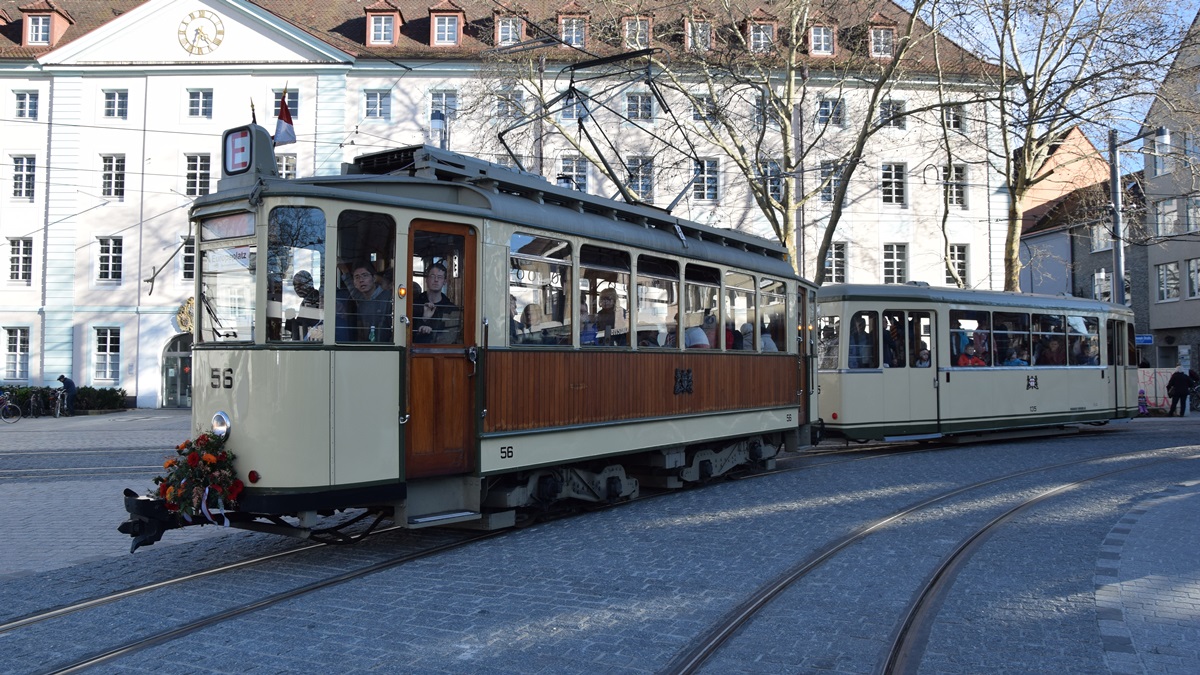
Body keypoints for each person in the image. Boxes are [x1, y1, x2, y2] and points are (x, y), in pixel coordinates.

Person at [413, 262, 460, 344]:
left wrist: (429, 333)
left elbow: (449, 339)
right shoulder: (414, 304)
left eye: (440, 277)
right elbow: (407, 336)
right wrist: (424, 319)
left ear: (444, 282)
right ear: (426, 279)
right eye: (432, 276)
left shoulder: (451, 309)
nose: (436, 280)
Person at [349, 261, 392, 342]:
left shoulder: (388, 298)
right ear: (354, 283)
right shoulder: (361, 304)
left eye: (365, 275)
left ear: (374, 278)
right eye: (357, 277)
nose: (361, 280)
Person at [287, 270, 322, 341]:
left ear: (308, 284)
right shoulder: (306, 300)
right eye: (294, 285)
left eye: (299, 285)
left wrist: (292, 319)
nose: (296, 288)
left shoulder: (314, 299)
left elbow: (307, 322)